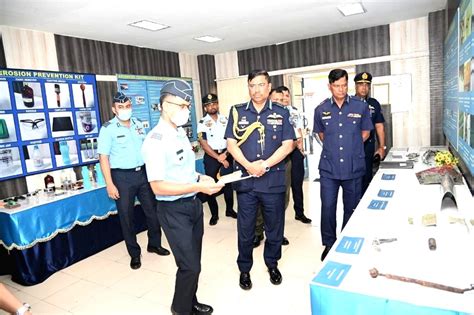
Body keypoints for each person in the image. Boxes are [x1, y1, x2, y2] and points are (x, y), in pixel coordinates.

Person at [141, 79, 223, 315]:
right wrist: (197, 187)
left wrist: (201, 178)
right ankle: (180, 310)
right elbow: (158, 186)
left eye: (187, 105)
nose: (186, 110)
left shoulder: (178, 134)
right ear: (166, 105)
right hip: (173, 210)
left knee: (193, 261)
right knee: (189, 265)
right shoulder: (155, 140)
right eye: (181, 105)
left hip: (193, 206)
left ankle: (190, 302)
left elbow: (182, 171)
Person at [225, 69, 295, 290]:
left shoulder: (282, 112)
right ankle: (244, 269)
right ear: (248, 87)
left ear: (269, 86)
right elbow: (231, 143)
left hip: (272, 181)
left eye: (261, 85)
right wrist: (249, 165)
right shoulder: (236, 112)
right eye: (252, 85)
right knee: (245, 230)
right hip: (246, 181)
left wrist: (264, 165)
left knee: (274, 228)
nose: (257, 90)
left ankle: (272, 264)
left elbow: (288, 145)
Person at [98, 92, 170, 270]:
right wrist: (109, 183)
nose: (125, 110)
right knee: (127, 217)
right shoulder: (107, 129)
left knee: (153, 212)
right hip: (122, 178)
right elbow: (103, 158)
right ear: (114, 109)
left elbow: (146, 149)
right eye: (121, 107)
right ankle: (134, 253)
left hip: (143, 174)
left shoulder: (138, 124)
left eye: (128, 106)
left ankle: (154, 244)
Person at [313, 69, 373, 261]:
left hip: (353, 167)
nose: (341, 89)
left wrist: (352, 146)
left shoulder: (360, 106)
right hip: (329, 168)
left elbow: (366, 132)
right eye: (337, 86)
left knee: (352, 207)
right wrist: (335, 147)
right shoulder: (320, 109)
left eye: (344, 85)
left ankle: (346, 241)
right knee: (328, 207)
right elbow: (321, 135)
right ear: (329, 86)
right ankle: (329, 244)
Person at [197, 93, 237, 226]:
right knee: (211, 185)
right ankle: (214, 214)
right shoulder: (202, 123)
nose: (212, 106)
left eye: (214, 103)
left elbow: (232, 139)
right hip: (211, 157)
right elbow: (203, 143)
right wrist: (218, 158)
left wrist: (225, 154)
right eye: (208, 105)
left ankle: (229, 210)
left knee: (228, 184)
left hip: (227, 154)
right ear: (205, 108)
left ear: (217, 104)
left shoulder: (225, 119)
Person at [279, 86, 312, 224]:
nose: (285, 98)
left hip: (295, 151)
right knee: (282, 187)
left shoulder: (295, 111)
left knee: (297, 184)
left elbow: (298, 131)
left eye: (287, 95)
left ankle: (300, 213)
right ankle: (278, 218)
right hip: (281, 152)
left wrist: (301, 149)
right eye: (282, 96)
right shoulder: (274, 112)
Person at [354, 72, 386, 195]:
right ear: (356, 86)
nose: (364, 87)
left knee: (367, 178)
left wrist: (381, 147)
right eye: (361, 84)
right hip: (353, 148)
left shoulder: (373, 103)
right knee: (354, 180)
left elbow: (379, 126)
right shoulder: (349, 103)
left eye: (367, 85)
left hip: (368, 147)